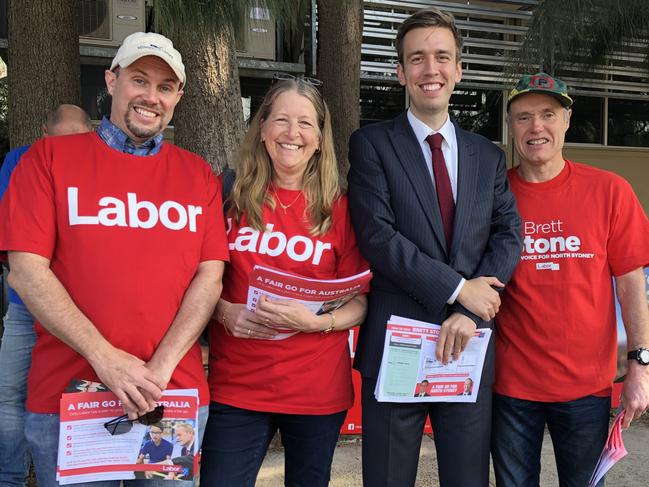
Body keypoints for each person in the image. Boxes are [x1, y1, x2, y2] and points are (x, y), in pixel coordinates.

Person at [0, 31, 229, 486]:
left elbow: (210, 276)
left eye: (165, 87)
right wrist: (107, 359)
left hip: (171, 395)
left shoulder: (198, 174)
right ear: (111, 80)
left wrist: (158, 369)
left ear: (178, 96)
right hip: (71, 395)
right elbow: (26, 270)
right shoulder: (48, 158)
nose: (151, 97)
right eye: (139, 80)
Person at [347, 7, 522, 487]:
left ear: (458, 70)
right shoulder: (371, 145)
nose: (431, 70)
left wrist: (471, 310)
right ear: (401, 72)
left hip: (468, 342)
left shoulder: (488, 156)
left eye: (442, 57)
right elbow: (378, 238)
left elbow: (509, 234)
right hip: (398, 342)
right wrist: (459, 289)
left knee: (467, 478)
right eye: (417, 59)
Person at [200, 76, 369, 487]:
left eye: (305, 123)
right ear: (262, 128)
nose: (292, 133)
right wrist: (224, 312)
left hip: (315, 390)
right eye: (281, 120)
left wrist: (320, 323)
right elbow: (201, 279)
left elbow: (361, 299)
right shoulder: (228, 196)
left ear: (319, 137)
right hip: (237, 387)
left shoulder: (342, 207)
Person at [492, 72, 649, 487]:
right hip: (510, 386)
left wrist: (640, 368)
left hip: (586, 388)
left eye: (548, 114)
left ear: (566, 120)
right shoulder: (494, 196)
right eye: (523, 117)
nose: (536, 127)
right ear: (510, 126)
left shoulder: (610, 191)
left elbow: (632, 286)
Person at [0, 104, 92, 486]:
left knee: (80, 398)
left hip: (82, 310)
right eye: (59, 142)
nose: (67, 151)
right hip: (26, 306)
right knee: (8, 393)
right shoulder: (21, 162)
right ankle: (10, 477)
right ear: (43, 135)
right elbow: (14, 234)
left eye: (77, 142)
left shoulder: (100, 164)